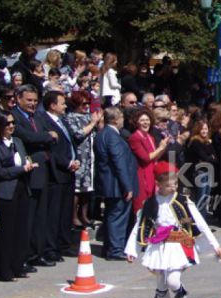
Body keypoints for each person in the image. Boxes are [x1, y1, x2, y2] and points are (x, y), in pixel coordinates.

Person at [125, 162, 221, 298]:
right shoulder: (150, 203)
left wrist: (215, 245)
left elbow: (200, 222)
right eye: (169, 185)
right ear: (158, 184)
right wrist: (131, 249)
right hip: (158, 247)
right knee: (161, 284)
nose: (173, 187)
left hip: (178, 245)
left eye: (175, 183)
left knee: (173, 281)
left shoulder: (183, 201)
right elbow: (140, 225)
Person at [11, 85, 58, 268]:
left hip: (43, 169)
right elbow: (28, 137)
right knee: (29, 216)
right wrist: (47, 136)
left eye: (34, 100)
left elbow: (50, 135)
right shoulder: (15, 117)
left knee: (41, 215)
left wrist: (46, 136)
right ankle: (25, 256)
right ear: (19, 99)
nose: (32, 104)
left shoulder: (37, 116)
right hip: (28, 171)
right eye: (28, 100)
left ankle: (37, 253)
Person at [0, 110, 38, 281]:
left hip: (22, 188)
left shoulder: (17, 141)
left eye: (12, 123)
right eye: (7, 124)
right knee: (7, 231)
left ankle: (18, 265)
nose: (11, 126)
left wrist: (29, 164)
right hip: (5, 191)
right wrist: (20, 169)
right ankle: (4, 270)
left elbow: (24, 159)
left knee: (21, 229)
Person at [39, 91, 81, 262]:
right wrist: (67, 162)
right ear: (52, 105)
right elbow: (52, 150)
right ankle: (51, 247)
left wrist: (75, 160)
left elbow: (70, 142)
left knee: (65, 212)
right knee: (54, 213)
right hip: (57, 173)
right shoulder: (45, 121)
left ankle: (63, 243)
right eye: (62, 103)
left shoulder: (62, 121)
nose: (65, 106)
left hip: (69, 172)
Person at [94, 107, 139, 261]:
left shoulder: (102, 134)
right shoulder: (112, 136)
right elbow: (119, 162)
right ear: (114, 119)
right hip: (116, 184)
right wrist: (127, 186)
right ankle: (115, 249)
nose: (122, 120)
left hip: (109, 183)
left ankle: (109, 247)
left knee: (111, 215)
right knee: (117, 216)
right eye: (120, 117)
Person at [65, 90, 103, 228]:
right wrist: (93, 123)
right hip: (79, 156)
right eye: (83, 104)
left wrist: (99, 122)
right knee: (77, 189)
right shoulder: (70, 117)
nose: (86, 106)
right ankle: (74, 216)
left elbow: (99, 131)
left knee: (88, 189)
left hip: (91, 156)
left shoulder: (89, 116)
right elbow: (78, 134)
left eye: (88, 103)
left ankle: (84, 215)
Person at [128, 108, 169, 212]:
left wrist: (163, 147)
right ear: (136, 122)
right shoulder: (135, 138)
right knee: (141, 206)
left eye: (147, 120)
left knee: (152, 204)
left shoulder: (150, 137)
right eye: (142, 120)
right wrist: (160, 148)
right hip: (141, 175)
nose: (145, 123)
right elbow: (146, 158)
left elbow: (154, 157)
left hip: (151, 172)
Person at [185, 120, 217, 217]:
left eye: (206, 129)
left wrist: (210, 156)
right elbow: (205, 157)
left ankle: (204, 220)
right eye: (202, 129)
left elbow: (215, 156)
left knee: (206, 197)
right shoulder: (195, 141)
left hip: (208, 171)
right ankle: (199, 222)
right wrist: (210, 158)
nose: (204, 131)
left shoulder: (207, 141)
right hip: (200, 172)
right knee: (201, 197)